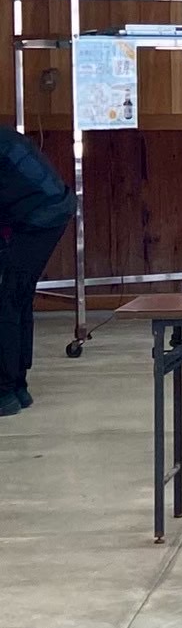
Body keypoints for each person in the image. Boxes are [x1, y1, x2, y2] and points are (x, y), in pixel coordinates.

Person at [0, 130, 72, 416]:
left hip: (39, 218)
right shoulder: (6, 135)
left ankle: (5, 391)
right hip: (49, 212)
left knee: (7, 301)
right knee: (17, 298)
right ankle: (18, 387)